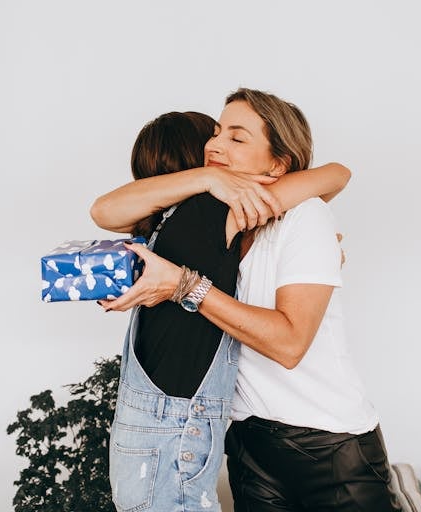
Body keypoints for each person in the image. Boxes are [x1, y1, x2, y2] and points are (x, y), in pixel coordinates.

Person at [98, 88, 400, 511]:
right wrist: (209, 178)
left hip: (328, 449)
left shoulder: (302, 217)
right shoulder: (227, 221)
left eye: (237, 138)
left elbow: (289, 345)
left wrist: (187, 286)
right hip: (248, 447)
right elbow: (106, 211)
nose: (216, 145)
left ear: (278, 164)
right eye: (217, 132)